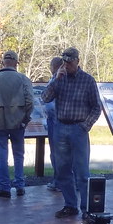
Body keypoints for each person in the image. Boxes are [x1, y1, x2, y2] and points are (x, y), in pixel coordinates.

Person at [41, 46, 101, 220]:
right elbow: (45, 98)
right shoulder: (59, 78)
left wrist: (85, 126)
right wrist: (55, 80)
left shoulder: (88, 80)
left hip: (78, 129)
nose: (67, 66)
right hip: (60, 128)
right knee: (62, 170)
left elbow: (96, 107)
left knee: (82, 172)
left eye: (70, 62)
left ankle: (86, 209)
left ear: (77, 61)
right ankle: (70, 205)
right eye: (64, 62)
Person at [0, 49, 34, 198]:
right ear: (16, 63)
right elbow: (30, 101)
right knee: (19, 154)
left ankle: (4, 187)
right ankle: (19, 185)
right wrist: (25, 118)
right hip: (18, 123)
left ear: (3, 61)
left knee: (2, 154)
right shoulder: (23, 79)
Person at [43, 56, 63, 192]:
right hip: (63, 120)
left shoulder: (56, 79)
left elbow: (48, 102)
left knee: (56, 153)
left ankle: (58, 181)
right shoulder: (67, 78)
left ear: (53, 67)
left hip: (55, 120)